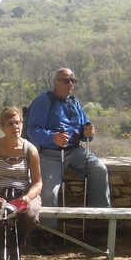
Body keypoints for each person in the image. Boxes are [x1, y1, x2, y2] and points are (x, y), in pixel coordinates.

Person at [26, 68, 110, 235]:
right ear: (55, 83)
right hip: (50, 154)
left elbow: (85, 127)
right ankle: (49, 233)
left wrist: (89, 132)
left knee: (100, 170)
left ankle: (101, 223)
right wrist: (53, 138)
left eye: (73, 81)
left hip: (75, 150)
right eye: (66, 80)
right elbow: (32, 130)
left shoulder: (74, 102)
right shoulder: (44, 100)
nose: (70, 84)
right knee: (49, 193)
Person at [0, 107, 43, 260]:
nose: (16, 127)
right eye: (10, 124)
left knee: (30, 215)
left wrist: (27, 198)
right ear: (3, 127)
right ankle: (8, 245)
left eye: (18, 122)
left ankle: (14, 247)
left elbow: (38, 183)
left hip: (23, 193)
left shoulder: (31, 150)